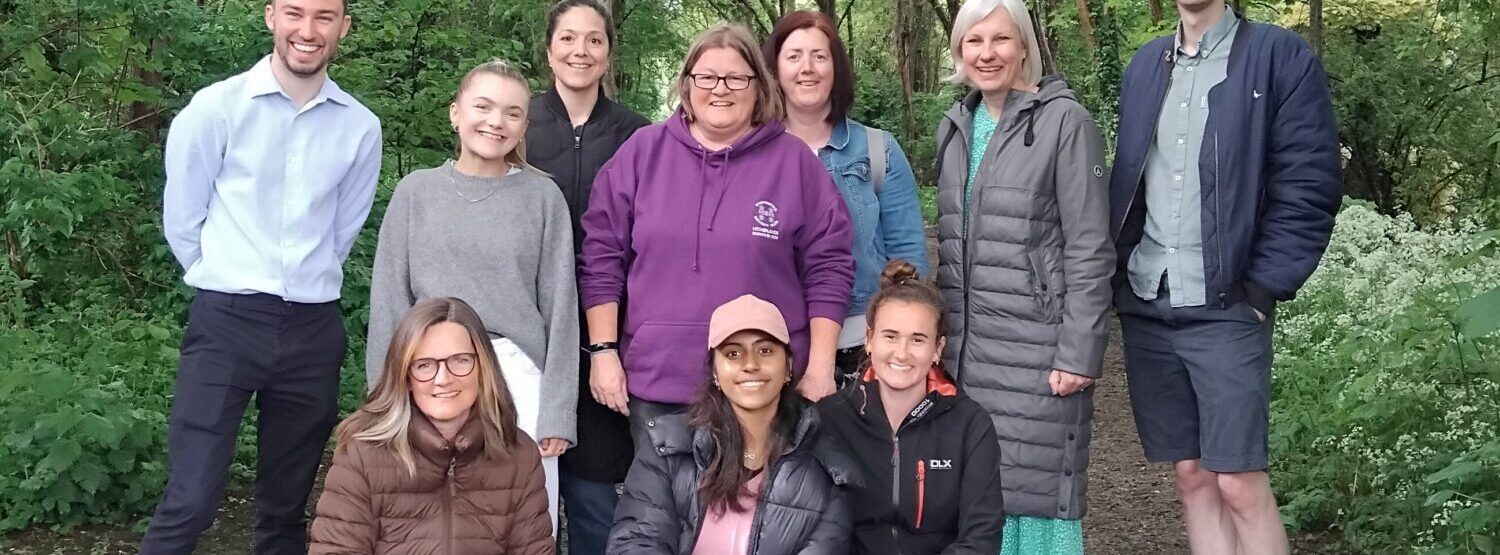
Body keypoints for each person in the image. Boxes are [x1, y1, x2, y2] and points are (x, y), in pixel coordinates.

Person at [146, 0, 381, 551]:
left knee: (286, 509)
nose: (308, 29)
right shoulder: (216, 109)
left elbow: (342, 231)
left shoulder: (360, 128)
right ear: (271, 16)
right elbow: (183, 218)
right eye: (295, 13)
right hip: (226, 321)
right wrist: (220, 276)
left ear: (343, 27)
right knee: (192, 499)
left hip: (312, 329)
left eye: (325, 17)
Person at [1109, 0, 1340, 551]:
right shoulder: (1144, 65)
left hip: (1228, 304)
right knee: (1190, 475)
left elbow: (1309, 184)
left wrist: (1262, 288)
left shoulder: (1278, 57)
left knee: (1238, 480)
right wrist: (1116, 275)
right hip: (1149, 299)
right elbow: (1132, 177)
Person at [578, 23, 855, 443]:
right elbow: (601, 256)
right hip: (661, 384)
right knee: (660, 509)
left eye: (736, 78)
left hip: (763, 389)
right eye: (706, 77)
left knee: (765, 509)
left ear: (759, 87)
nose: (720, 89)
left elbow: (830, 265)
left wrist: (819, 367)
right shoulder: (641, 153)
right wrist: (603, 352)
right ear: (687, 85)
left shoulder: (794, 162)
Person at [366, 60, 578, 535]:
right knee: (427, 517)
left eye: (512, 113)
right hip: (428, 374)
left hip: (517, 375)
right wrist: (383, 398)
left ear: (524, 125)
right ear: (455, 113)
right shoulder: (415, 192)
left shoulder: (543, 198)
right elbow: (388, 302)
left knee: (519, 520)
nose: (495, 122)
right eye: (483, 107)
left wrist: (558, 410)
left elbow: (563, 309)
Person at [932, 0, 1115, 551]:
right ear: (960, 52)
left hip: (1036, 351)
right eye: (975, 42)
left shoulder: (1065, 122)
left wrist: (1078, 352)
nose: (988, 54)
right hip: (967, 350)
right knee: (973, 494)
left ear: (1025, 47)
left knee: (1031, 493)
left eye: (1001, 40)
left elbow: (1090, 245)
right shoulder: (955, 126)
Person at [524, 1, 652, 551]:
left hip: (610, 325)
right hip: (528, 324)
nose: (581, 51)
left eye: (594, 40)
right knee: (525, 474)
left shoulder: (638, 135)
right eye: (569, 39)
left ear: (608, 53)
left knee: (596, 479)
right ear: (549, 49)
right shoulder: (518, 123)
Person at [607, 295, 853, 554]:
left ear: (788, 366)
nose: (750, 364)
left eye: (765, 350)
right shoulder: (666, 449)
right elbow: (636, 543)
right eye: (733, 353)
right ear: (715, 370)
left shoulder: (828, 470)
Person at [762, 11, 929, 387]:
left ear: (836, 67)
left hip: (861, 346)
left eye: (820, 56)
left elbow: (909, 260)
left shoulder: (878, 150)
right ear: (773, 69)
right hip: (774, 344)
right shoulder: (753, 153)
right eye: (794, 56)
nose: (808, 68)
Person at [309, 298, 554, 554]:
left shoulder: (519, 453)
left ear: (483, 368)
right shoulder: (362, 453)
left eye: (459, 360)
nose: (443, 379)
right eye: (424, 365)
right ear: (405, 376)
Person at [817, 260, 1006, 554]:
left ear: (937, 349)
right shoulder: (829, 420)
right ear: (868, 340)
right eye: (890, 336)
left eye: (918, 339)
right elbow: (812, 530)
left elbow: (981, 536)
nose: (902, 353)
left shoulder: (970, 424)